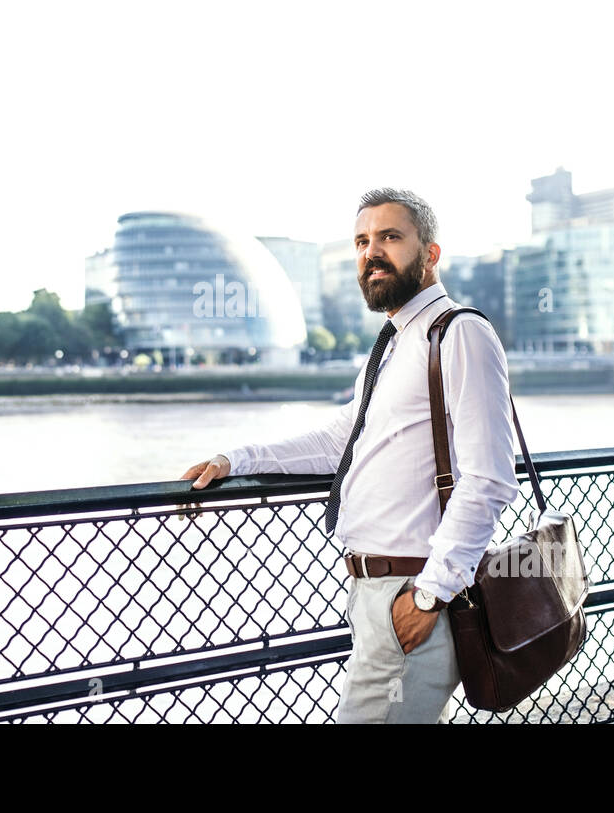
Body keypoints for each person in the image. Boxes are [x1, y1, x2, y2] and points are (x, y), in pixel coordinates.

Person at [180, 188, 519, 723]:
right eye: (362, 241)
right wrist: (237, 459)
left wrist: (429, 596)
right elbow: (342, 440)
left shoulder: (460, 334)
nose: (372, 252)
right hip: (375, 593)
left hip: (412, 592)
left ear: (430, 253)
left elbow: (491, 479)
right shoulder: (396, 341)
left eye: (390, 237)